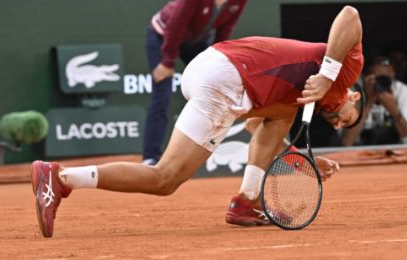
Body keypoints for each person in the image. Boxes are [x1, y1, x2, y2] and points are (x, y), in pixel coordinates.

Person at [31, 6, 364, 237]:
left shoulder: (295, 97)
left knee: (279, 117)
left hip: (213, 70)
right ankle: (60, 178)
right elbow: (350, 15)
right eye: (347, 121)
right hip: (227, 78)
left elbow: (258, 130)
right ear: (354, 97)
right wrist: (327, 74)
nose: (338, 125)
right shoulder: (344, 72)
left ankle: (244, 202)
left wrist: (299, 162)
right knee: (165, 179)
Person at [143, 0, 248, 166]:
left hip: (195, 42)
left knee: (216, 86)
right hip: (163, 36)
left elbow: (225, 30)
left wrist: (218, 61)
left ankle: (197, 154)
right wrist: (167, 62)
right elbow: (176, 25)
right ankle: (150, 158)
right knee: (162, 96)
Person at [341, 56, 407, 146]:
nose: (381, 83)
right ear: (364, 77)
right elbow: (346, 141)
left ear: (393, 76)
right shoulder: (354, 90)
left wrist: (394, 111)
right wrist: (368, 102)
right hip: (357, 153)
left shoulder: (401, 90)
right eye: (376, 79)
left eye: (385, 79)